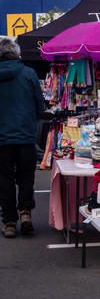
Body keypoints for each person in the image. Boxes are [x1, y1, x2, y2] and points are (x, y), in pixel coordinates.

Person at [0, 38, 44, 237]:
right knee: (26, 177)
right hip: (26, 135)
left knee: (5, 180)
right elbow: (40, 105)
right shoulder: (28, 73)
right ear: (16, 53)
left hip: (2, 138)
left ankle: (9, 222)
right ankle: (25, 212)